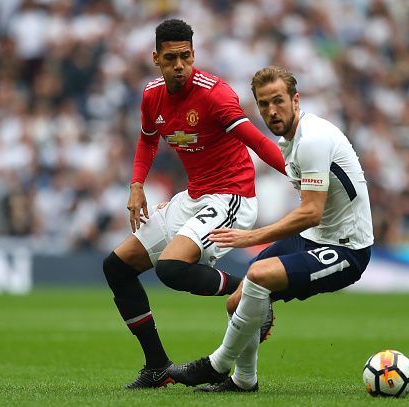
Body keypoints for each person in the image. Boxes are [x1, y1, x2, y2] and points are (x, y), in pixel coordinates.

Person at [101, 19, 286, 389]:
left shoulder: (215, 95)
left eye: (186, 56)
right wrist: (137, 184)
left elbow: (259, 143)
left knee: (170, 268)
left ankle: (254, 292)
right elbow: (147, 140)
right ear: (156, 58)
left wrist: (304, 181)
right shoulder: (152, 95)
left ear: (194, 55)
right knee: (116, 268)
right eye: (171, 58)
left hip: (232, 196)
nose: (180, 65)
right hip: (196, 196)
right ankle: (156, 366)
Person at [169, 66, 374, 392]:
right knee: (236, 301)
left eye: (278, 101)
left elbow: (311, 213)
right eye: (263, 104)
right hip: (312, 239)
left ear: (296, 100)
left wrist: (249, 237)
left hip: (346, 249)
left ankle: (217, 364)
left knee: (259, 276)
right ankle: (244, 381)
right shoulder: (287, 142)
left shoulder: (312, 140)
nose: (271, 110)